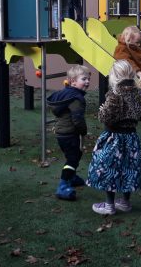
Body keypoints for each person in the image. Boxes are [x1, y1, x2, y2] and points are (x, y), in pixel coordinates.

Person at [87, 59, 141, 215]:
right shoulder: (140, 93)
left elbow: (104, 117)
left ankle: (109, 205)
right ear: (132, 75)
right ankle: (125, 202)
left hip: (113, 137)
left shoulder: (115, 94)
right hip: (131, 138)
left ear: (114, 76)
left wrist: (102, 109)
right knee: (129, 168)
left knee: (109, 167)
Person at [47, 65, 91, 201]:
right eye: (84, 79)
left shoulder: (65, 93)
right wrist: (84, 131)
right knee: (72, 158)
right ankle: (63, 185)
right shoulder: (76, 98)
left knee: (74, 155)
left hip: (62, 133)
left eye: (88, 79)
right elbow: (77, 118)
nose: (87, 82)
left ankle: (72, 176)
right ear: (73, 81)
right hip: (70, 133)